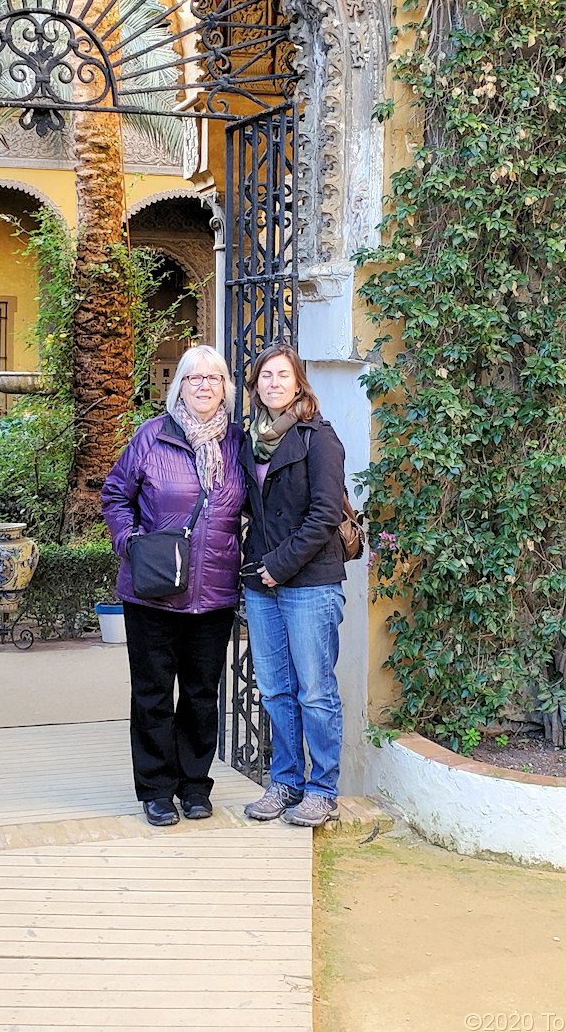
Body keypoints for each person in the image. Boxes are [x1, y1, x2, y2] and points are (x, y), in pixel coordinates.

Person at [101, 344, 247, 827]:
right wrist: (130, 541)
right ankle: (157, 790)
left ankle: (194, 786)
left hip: (215, 592)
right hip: (153, 592)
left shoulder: (239, 445)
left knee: (203, 694)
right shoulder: (151, 437)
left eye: (214, 377)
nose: (204, 385)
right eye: (193, 378)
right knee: (153, 693)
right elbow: (116, 494)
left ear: (225, 387)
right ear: (178, 386)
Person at [239, 343, 347, 827]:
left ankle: (322, 789)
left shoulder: (318, 437)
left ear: (298, 382)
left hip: (308, 582)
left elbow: (325, 514)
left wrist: (278, 565)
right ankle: (285, 781)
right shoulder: (250, 440)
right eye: (266, 376)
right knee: (276, 690)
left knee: (315, 691)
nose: (274, 383)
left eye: (283, 375)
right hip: (263, 584)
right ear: (255, 385)